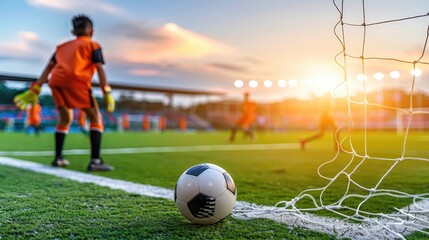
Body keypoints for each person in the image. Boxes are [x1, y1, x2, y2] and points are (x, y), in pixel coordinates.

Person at [14, 15, 115, 171]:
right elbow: (100, 68)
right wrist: (106, 90)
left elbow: (49, 67)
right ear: (92, 31)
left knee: (65, 118)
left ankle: (58, 158)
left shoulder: (61, 47)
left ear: (73, 31)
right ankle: (95, 161)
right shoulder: (93, 45)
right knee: (95, 117)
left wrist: (36, 88)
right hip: (78, 82)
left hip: (56, 83)